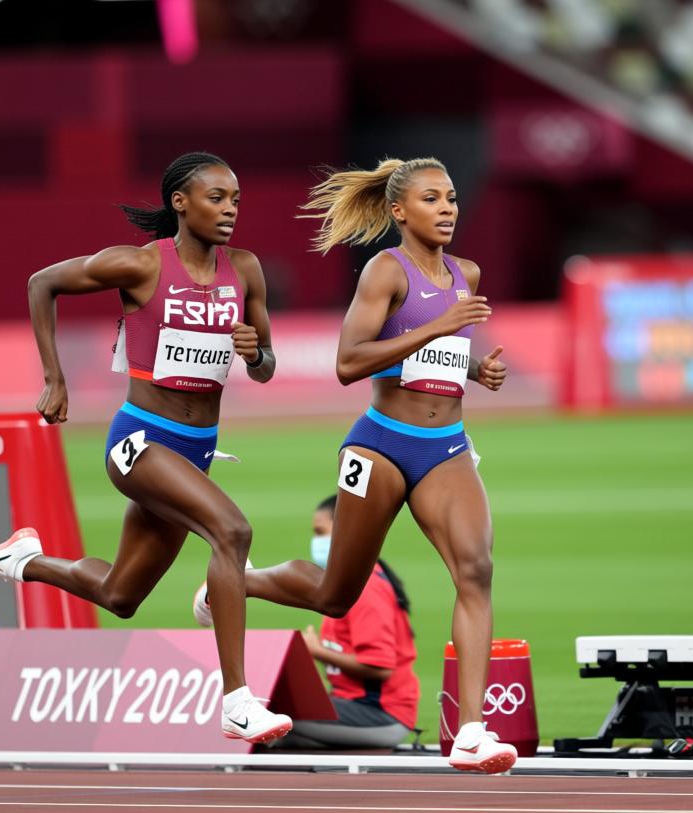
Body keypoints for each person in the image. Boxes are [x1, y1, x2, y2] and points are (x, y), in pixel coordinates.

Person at [196, 157, 516, 773]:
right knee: (336, 595)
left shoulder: (464, 273)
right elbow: (350, 362)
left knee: (476, 570)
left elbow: (439, 356)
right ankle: (234, 584)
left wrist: (479, 370)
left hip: (446, 446)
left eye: (451, 198)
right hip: (381, 444)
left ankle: (472, 732)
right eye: (431, 199)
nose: (447, 208)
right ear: (400, 211)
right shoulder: (385, 271)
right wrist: (442, 326)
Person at [0, 151, 292, 745]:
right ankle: (238, 702)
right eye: (216, 198)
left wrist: (254, 353)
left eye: (236, 200)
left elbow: (267, 366)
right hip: (140, 442)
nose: (229, 210)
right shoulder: (141, 266)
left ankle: (22, 560)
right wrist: (54, 378)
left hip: (195, 450)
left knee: (120, 595)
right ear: (180, 203)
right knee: (232, 532)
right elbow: (43, 283)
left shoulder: (245, 269)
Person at [276, 494, 419, 750]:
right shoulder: (349, 582)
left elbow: (380, 666)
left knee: (272, 713)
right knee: (277, 734)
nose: (316, 541)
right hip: (354, 707)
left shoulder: (366, 587)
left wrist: (317, 651)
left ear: (346, 529)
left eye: (321, 532)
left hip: (379, 714)